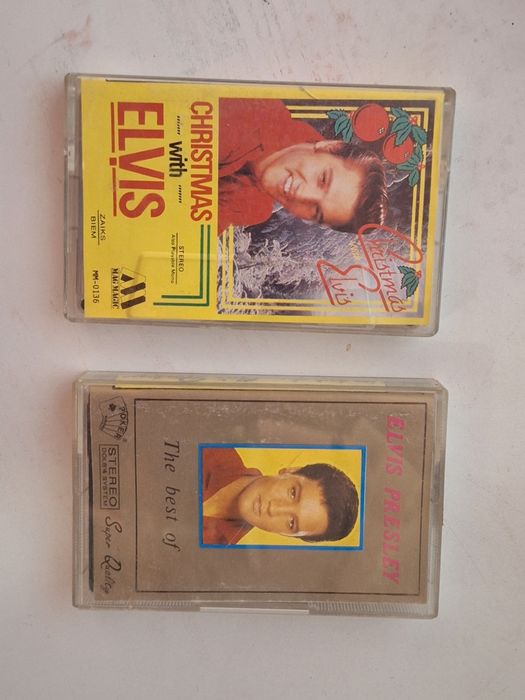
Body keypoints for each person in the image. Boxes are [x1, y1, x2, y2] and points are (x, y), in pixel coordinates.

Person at [219, 98, 388, 234]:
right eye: (322, 179)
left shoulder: (255, 207)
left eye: (316, 211)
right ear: (328, 147)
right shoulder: (244, 119)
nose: (301, 194)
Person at [201, 446, 359, 545]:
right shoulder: (209, 449)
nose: (275, 509)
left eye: (291, 523)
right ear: (290, 471)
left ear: (287, 536)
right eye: (293, 493)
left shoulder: (216, 556)